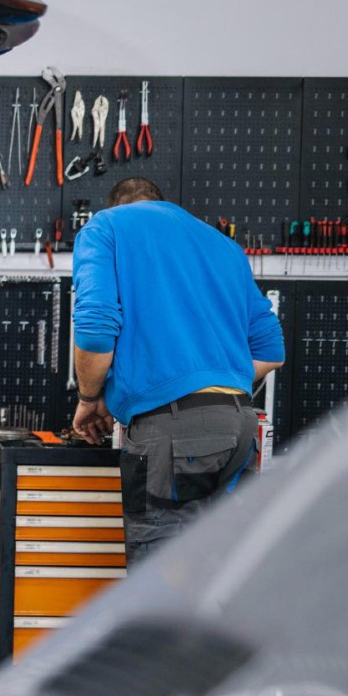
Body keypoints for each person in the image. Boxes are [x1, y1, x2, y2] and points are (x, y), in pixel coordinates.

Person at [71, 177, 285, 567]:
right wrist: (204, 384)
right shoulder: (224, 246)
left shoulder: (105, 226)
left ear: (115, 205)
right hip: (238, 425)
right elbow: (271, 352)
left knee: (157, 572)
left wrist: (89, 397)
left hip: (171, 435)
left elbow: (96, 329)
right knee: (211, 569)